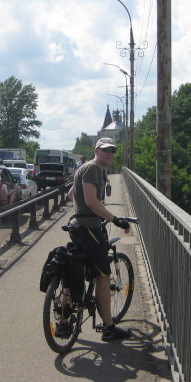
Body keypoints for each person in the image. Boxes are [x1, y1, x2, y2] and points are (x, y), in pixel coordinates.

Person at [66, 137, 132, 341]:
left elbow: (71, 194)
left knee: (76, 268)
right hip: (89, 229)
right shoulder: (93, 169)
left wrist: (84, 210)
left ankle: (63, 321)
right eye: (105, 150)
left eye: (112, 150)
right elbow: (91, 201)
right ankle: (109, 328)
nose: (109, 153)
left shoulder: (91, 169)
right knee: (103, 275)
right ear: (96, 151)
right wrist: (115, 219)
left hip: (79, 227)